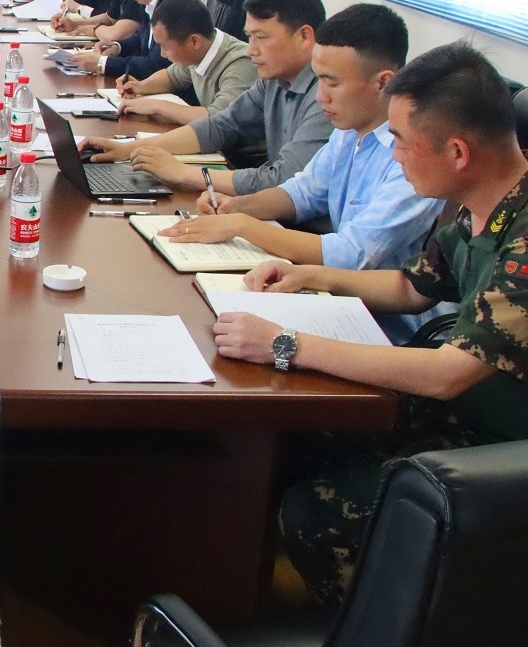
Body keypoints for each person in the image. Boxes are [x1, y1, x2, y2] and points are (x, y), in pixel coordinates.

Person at [213, 41, 528, 604]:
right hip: (467, 412)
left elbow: (448, 374)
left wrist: (285, 343)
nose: (394, 154)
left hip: (503, 449)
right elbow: (413, 287)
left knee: (315, 514)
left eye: (401, 140)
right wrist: (311, 275)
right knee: (291, 438)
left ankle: (400, 619)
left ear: (457, 152)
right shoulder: (479, 205)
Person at [161, 5, 447, 342]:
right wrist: (235, 207)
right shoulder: (348, 130)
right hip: (331, 297)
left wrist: (242, 225)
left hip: (387, 329)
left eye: (332, 82)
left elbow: (353, 254)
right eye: (318, 78)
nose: (320, 96)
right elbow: (303, 192)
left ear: (383, 82)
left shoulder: (411, 157)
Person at [82, 0, 332, 195]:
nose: (252, 49)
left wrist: (184, 173)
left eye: (262, 38)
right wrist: (128, 150)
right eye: (250, 37)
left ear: (304, 36)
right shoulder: (273, 81)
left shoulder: (327, 98)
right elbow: (220, 125)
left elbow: (285, 180)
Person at [115, 0, 258, 126]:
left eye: (165, 47)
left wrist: (156, 106)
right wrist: (140, 86)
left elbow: (219, 118)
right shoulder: (199, 53)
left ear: (194, 41)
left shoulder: (240, 63)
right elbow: (172, 77)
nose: (163, 54)